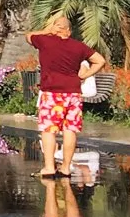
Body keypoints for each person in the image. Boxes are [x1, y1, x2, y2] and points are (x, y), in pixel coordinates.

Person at [29, 14, 106, 176]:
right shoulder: (79, 46)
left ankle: (49, 167)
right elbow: (100, 60)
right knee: (70, 130)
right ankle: (65, 167)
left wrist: (46, 31)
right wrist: (84, 75)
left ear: (55, 29)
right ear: (68, 31)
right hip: (73, 93)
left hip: (52, 93)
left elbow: (28, 36)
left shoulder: (44, 41)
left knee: (49, 130)